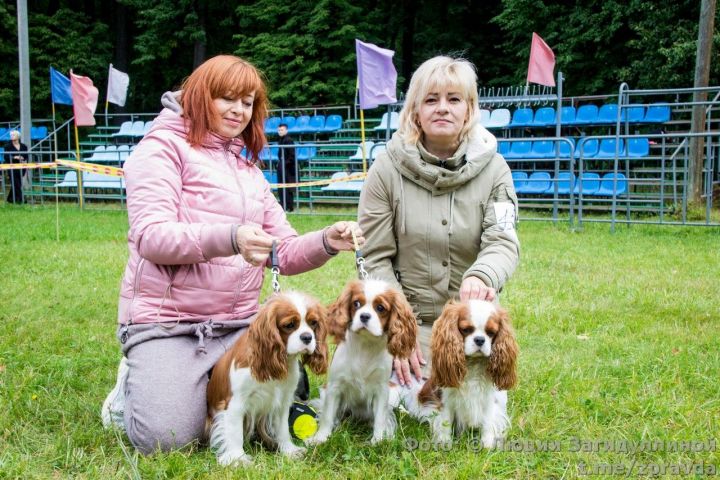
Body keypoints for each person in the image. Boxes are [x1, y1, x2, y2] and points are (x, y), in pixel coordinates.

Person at [100, 55, 364, 454]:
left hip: (237, 323)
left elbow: (285, 252)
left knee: (270, 409)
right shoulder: (159, 149)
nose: (239, 110)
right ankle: (132, 389)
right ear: (200, 96)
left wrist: (327, 240)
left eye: (248, 102)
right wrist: (230, 237)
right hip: (168, 323)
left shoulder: (248, 169)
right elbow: (151, 236)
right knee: (167, 440)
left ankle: (205, 381)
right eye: (228, 98)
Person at [357, 56, 520, 386]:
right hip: (407, 320)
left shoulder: (497, 170)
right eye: (431, 100)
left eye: (454, 99)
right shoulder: (384, 169)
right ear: (415, 110)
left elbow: (503, 239)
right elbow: (374, 256)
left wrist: (483, 274)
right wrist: (400, 330)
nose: (442, 108)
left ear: (470, 109)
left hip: (469, 323)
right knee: (404, 398)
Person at [4, 130, 29, 204]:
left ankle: (10, 199)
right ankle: (22, 200)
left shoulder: (24, 146)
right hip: (12, 167)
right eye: (11, 135)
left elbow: (26, 156)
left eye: (13, 135)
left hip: (21, 167)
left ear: (18, 136)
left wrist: (24, 160)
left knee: (16, 184)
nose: (11, 136)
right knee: (16, 183)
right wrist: (15, 157)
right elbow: (6, 157)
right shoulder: (7, 146)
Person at [276, 123, 296, 211]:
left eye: (282, 130)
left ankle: (289, 206)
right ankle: (284, 205)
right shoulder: (281, 140)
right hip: (283, 165)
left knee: (287, 188)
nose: (280, 131)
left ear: (286, 130)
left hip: (287, 168)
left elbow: (292, 156)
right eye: (279, 130)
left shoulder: (288, 140)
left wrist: (284, 164)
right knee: (281, 186)